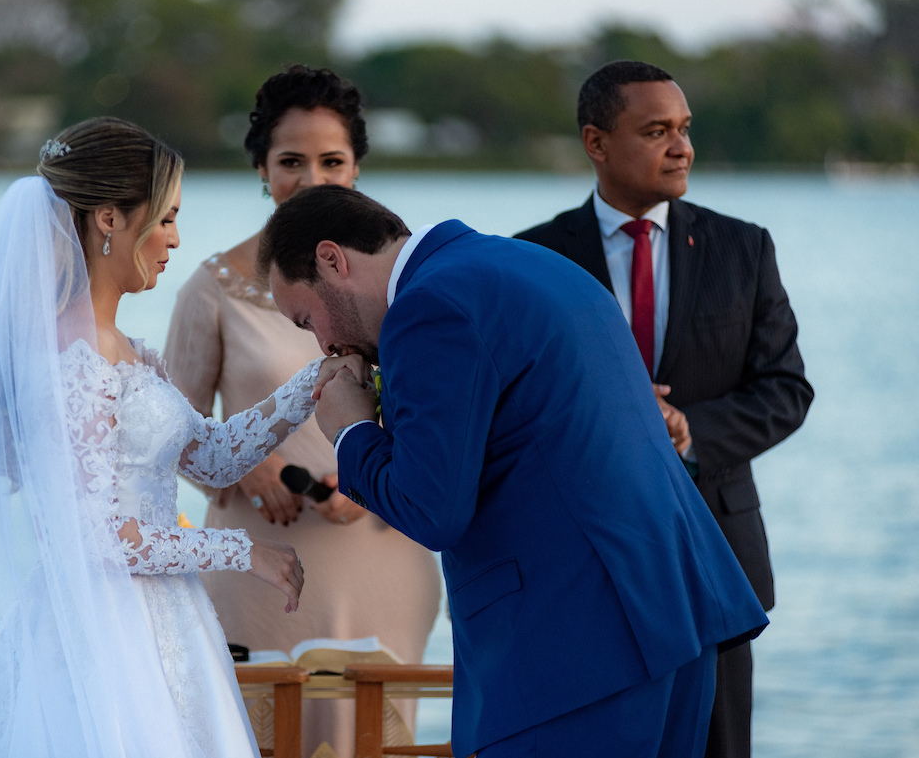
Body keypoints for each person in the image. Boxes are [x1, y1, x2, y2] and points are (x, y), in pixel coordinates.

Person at [0, 117, 363, 758]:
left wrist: (314, 381)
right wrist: (244, 552)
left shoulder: (130, 353)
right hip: (100, 638)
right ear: (109, 218)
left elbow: (216, 459)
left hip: (168, 623)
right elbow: (103, 539)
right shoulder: (65, 355)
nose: (174, 239)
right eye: (164, 218)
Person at [258, 184, 770, 758]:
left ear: (333, 259)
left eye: (307, 318)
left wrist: (351, 431)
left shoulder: (427, 308)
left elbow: (432, 509)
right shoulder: (535, 263)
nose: (324, 343)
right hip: (674, 613)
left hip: (574, 647)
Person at [514, 60, 813, 758]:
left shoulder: (744, 248)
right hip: (579, 561)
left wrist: (687, 429)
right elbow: (513, 406)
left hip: (715, 556)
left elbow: (786, 390)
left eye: (683, 129)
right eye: (656, 131)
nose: (682, 147)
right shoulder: (532, 258)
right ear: (596, 141)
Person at [165, 66, 440, 757]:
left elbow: (439, 415)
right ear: (262, 168)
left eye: (332, 161)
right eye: (291, 161)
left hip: (383, 546)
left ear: (356, 168)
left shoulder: (407, 284)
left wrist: (375, 474)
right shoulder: (212, 287)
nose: (312, 178)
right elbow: (168, 432)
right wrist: (250, 465)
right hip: (260, 560)